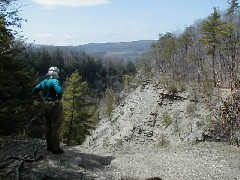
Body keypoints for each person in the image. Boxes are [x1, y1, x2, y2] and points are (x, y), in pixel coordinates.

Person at [32, 67, 64, 154]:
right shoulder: (55, 81)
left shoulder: (44, 82)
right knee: (55, 126)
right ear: (56, 73)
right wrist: (58, 99)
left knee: (48, 125)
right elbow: (59, 91)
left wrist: (41, 98)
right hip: (54, 104)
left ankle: (49, 146)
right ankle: (55, 148)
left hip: (45, 104)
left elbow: (34, 90)